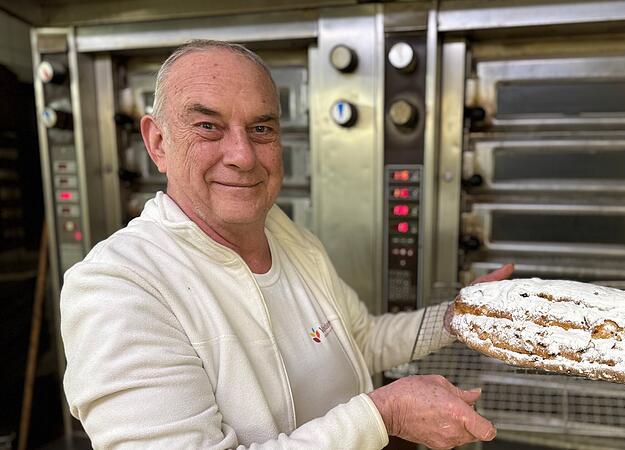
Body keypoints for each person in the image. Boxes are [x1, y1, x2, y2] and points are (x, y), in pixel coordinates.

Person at [60, 39, 513, 449]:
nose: (242, 156)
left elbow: (360, 340)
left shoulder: (283, 232)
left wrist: (459, 318)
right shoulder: (118, 287)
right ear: (158, 143)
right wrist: (384, 415)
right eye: (208, 126)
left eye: (261, 129)